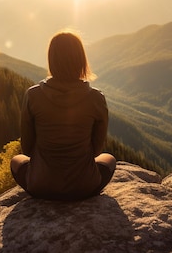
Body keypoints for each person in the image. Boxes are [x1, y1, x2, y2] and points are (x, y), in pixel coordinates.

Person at [10, 31, 116, 200]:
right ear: (81, 60)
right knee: (109, 159)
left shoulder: (33, 96)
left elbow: (28, 149)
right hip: (84, 187)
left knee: (17, 160)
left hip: (41, 186)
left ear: (51, 59)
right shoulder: (96, 98)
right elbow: (96, 150)